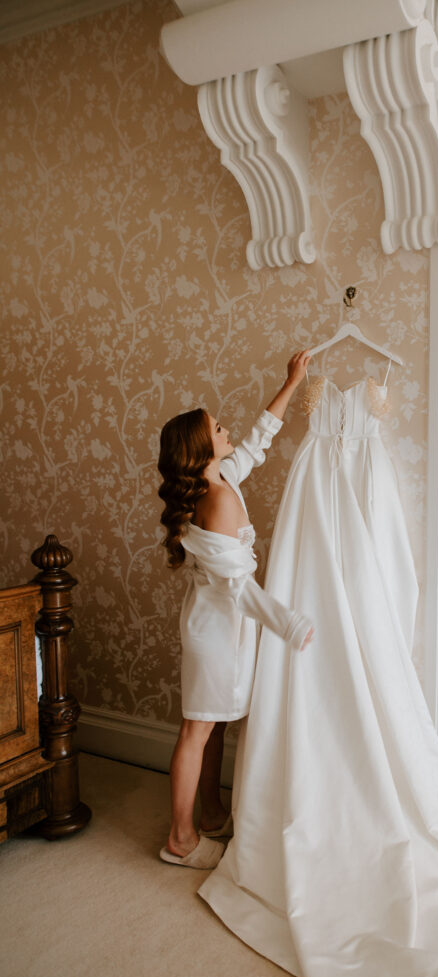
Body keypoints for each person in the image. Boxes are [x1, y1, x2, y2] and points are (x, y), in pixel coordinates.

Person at [156, 350, 313, 869]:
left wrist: (291, 383)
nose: (226, 430)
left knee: (215, 723)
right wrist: (287, 623)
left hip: (225, 626)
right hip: (216, 630)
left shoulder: (220, 480)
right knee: (197, 728)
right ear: (202, 449)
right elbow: (241, 590)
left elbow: (256, 442)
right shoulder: (218, 500)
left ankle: (212, 812)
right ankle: (180, 839)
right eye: (217, 428)